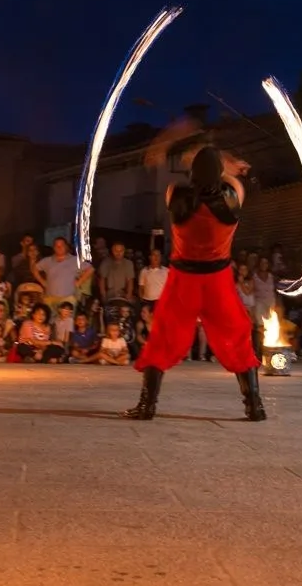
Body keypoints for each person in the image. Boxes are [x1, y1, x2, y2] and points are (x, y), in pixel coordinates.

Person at [123, 130, 265, 422]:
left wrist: (187, 149)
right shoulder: (234, 194)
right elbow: (227, 180)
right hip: (218, 281)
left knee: (163, 335)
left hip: (183, 279)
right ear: (221, 172)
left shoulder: (176, 194)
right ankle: (254, 406)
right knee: (237, 335)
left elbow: (193, 180)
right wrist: (228, 166)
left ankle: (147, 405)